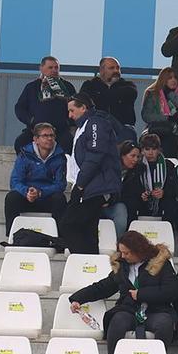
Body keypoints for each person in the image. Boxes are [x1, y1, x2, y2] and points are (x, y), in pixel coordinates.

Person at [68, 231, 178, 354]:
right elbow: (103, 287)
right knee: (118, 321)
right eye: (121, 252)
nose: (123, 256)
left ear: (138, 250)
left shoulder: (161, 263)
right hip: (129, 310)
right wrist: (77, 299)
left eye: (127, 253)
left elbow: (172, 291)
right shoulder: (122, 266)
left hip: (156, 310)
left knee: (164, 323)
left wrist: (141, 294)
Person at [59, 93, 124, 255]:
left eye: (72, 110)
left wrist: (80, 184)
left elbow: (95, 155)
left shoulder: (95, 123)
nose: (70, 115)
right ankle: (89, 264)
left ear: (83, 107)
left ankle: (84, 259)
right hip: (91, 186)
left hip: (96, 187)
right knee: (88, 229)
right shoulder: (85, 125)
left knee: (69, 224)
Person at [5, 123, 67, 231]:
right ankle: (12, 236)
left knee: (60, 199)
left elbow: (60, 184)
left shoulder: (60, 157)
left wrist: (40, 192)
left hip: (47, 196)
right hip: (28, 197)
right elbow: (15, 181)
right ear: (36, 139)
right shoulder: (24, 155)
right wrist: (27, 191)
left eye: (52, 136)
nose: (49, 139)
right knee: (12, 198)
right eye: (45, 135)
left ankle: (60, 238)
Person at [13, 56, 74, 151]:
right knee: (20, 143)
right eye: (50, 67)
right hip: (35, 130)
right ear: (41, 68)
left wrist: (67, 122)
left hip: (60, 131)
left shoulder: (67, 87)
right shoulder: (32, 87)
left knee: (69, 144)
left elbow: (75, 107)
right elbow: (20, 108)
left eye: (56, 67)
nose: (54, 70)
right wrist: (31, 120)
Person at [121, 132, 173, 224]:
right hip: (142, 203)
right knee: (131, 203)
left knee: (171, 204)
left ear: (159, 150)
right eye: (147, 149)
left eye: (154, 149)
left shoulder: (168, 165)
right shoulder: (137, 166)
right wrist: (142, 195)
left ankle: (169, 232)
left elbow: (173, 186)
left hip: (163, 201)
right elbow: (130, 188)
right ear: (142, 150)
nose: (150, 152)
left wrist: (164, 192)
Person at [139, 67, 178, 153]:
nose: (173, 80)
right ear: (163, 79)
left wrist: (171, 94)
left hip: (176, 129)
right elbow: (146, 116)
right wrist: (166, 118)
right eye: (170, 78)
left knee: (171, 143)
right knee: (151, 141)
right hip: (155, 128)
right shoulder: (152, 93)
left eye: (175, 77)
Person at [79, 57, 137, 130]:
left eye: (118, 68)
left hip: (123, 129)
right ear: (101, 70)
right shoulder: (89, 85)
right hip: (96, 129)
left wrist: (100, 94)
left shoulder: (128, 86)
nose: (116, 71)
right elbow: (82, 104)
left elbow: (129, 94)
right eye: (111, 68)